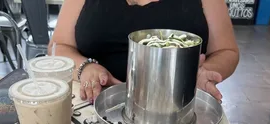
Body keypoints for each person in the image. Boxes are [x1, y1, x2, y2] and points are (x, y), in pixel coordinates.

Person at [50, 0, 239, 103]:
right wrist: (85, 67)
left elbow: (226, 50)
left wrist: (203, 73)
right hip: (93, 104)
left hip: (179, 107)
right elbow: (58, 46)